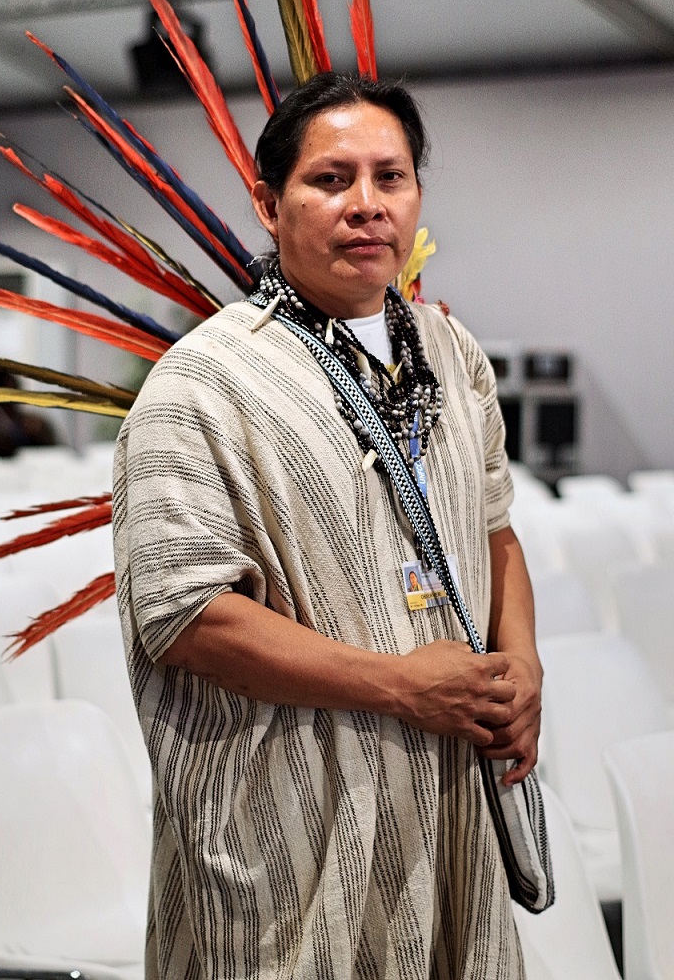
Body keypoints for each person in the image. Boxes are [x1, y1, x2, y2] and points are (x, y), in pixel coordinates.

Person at [114, 72, 542, 980]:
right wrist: (399, 686)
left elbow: (495, 531)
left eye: (390, 177)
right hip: (292, 821)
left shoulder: (448, 350)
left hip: (448, 792)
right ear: (268, 203)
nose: (367, 205)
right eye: (331, 179)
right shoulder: (204, 381)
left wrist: (524, 664)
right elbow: (186, 618)